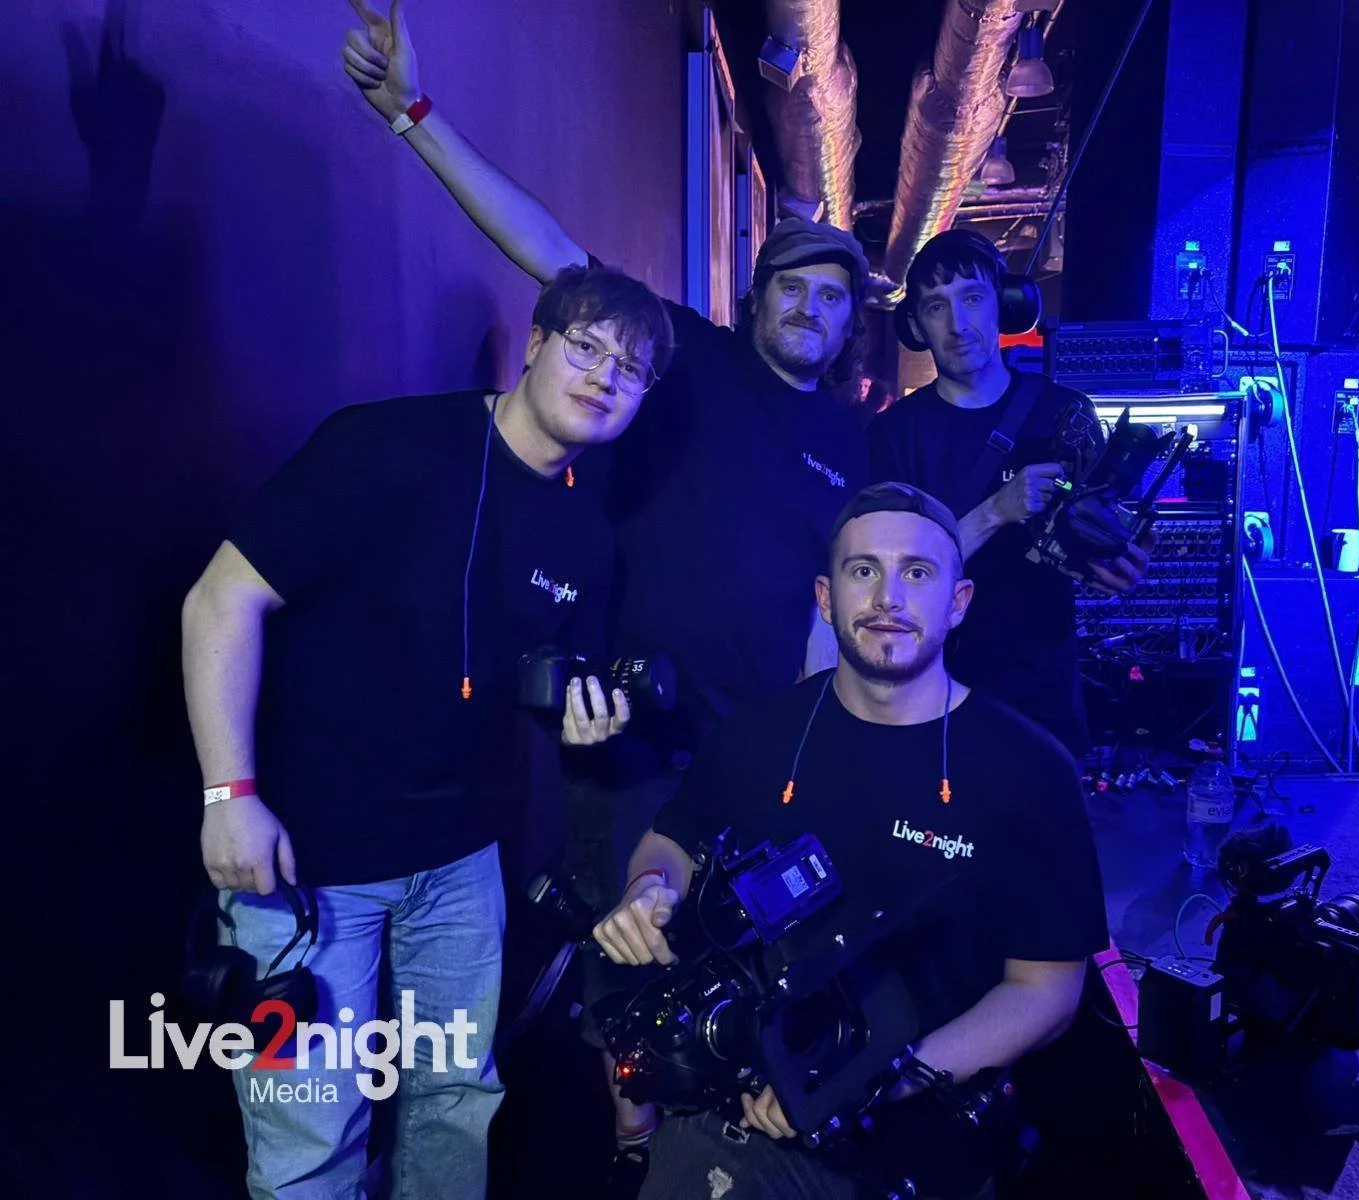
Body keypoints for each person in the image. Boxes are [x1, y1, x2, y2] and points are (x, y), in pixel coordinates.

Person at [342, 6, 873, 1186]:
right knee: (628, 957)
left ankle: (715, 1147)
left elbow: (820, 602)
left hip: (754, 744)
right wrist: (413, 117)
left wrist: (807, 741)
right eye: (790, 287)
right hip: (634, 738)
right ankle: (633, 1155)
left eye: (831, 298)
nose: (807, 308)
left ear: (848, 324)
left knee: (745, 955)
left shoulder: (848, 438)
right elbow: (549, 249)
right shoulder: (683, 358)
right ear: (758, 298)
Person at [180, 264, 670, 1199]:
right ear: (534, 343)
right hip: (308, 865)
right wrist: (227, 796)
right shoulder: (386, 445)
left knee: (456, 1100)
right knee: (309, 1136)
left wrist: (583, 715)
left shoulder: (584, 538)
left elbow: (550, 682)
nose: (606, 376)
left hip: (460, 867)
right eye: (588, 346)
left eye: (633, 370)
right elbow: (221, 599)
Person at [592, 482, 1110, 1200]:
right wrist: (651, 889)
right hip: (748, 1102)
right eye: (863, 570)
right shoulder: (758, 735)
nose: (888, 597)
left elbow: (1047, 990)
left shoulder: (1029, 770)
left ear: (957, 604)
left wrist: (875, 1081)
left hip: (922, 1110)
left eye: (917, 573)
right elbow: (670, 839)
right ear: (826, 598)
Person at [866, 230, 1151, 759]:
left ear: (1006, 304)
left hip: (1043, 688)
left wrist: (1116, 563)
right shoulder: (894, 435)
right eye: (935, 307)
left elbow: (1092, 538)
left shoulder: (1066, 413)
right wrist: (998, 509)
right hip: (935, 686)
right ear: (916, 326)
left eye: (972, 299)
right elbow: (893, 573)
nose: (956, 325)